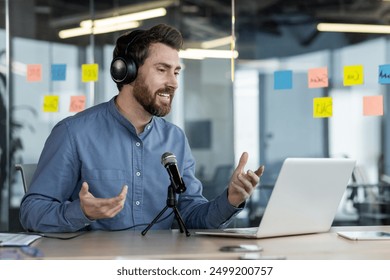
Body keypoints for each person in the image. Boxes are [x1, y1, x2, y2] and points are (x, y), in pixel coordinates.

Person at [19, 24, 264, 233]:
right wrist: (81, 211)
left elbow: (191, 214)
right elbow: (32, 212)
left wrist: (231, 200)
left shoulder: (174, 139)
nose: (174, 83)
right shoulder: (74, 133)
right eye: (162, 70)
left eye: (176, 72)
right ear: (126, 71)